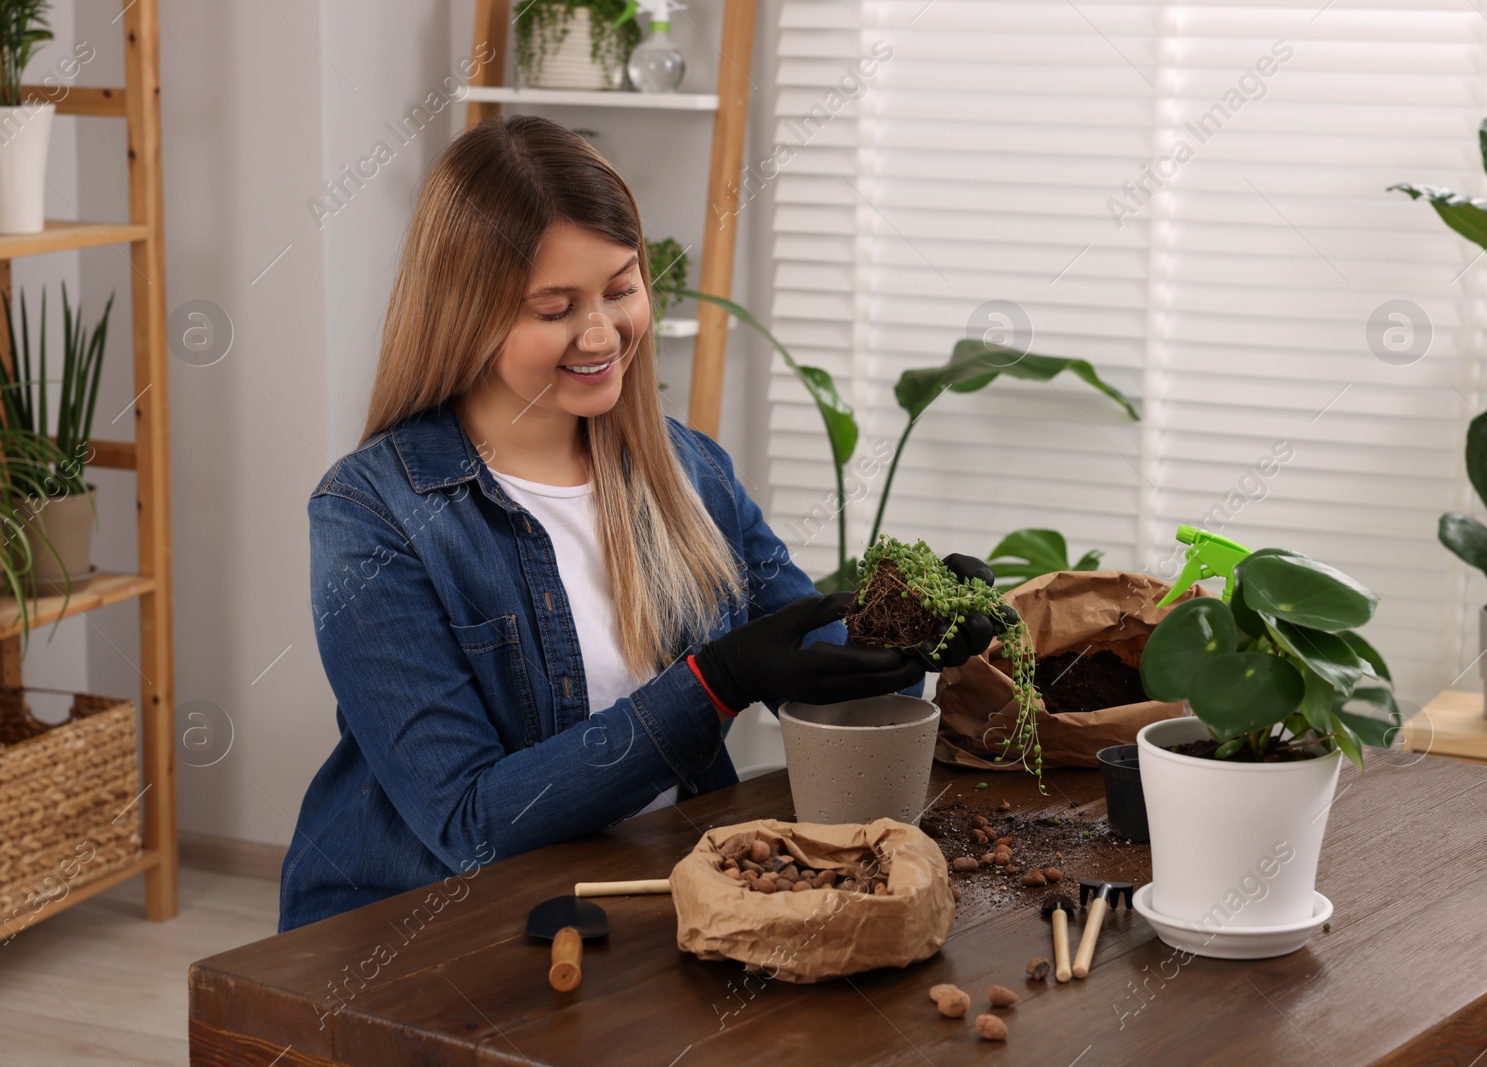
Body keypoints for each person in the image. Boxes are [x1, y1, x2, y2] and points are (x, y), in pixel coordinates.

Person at [278, 116, 999, 931]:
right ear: (463, 315)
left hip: (647, 899)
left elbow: (814, 668)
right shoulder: (372, 517)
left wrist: (913, 636)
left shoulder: (688, 471)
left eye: (622, 289)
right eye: (555, 308)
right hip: (420, 927)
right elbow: (472, 824)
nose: (601, 334)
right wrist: (712, 684)